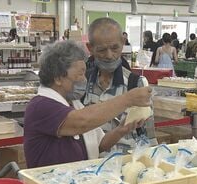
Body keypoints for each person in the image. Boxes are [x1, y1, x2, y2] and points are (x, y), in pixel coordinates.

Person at [24, 40, 152, 168]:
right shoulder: (41, 106)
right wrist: (127, 99)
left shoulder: (75, 104)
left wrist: (121, 130)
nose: (84, 80)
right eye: (80, 74)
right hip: (48, 183)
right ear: (58, 78)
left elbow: (99, 143)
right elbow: (82, 122)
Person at [83, 17, 157, 153]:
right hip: (91, 166)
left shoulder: (136, 84)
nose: (109, 55)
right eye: (101, 50)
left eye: (115, 48)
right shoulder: (82, 84)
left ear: (123, 42)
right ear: (90, 48)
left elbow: (149, 134)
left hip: (126, 163)